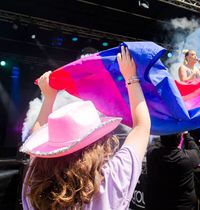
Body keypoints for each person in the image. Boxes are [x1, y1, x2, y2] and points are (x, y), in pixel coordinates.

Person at [20, 46, 151, 210]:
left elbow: (141, 127)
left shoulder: (35, 182)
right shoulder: (109, 178)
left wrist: (48, 99)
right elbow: (142, 126)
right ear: (97, 143)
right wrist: (131, 77)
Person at [145, 132, 200, 210]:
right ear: (179, 139)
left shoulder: (151, 154)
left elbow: (155, 145)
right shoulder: (187, 158)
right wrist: (186, 134)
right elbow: (196, 150)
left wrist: (164, 131)